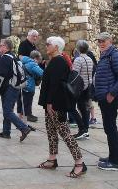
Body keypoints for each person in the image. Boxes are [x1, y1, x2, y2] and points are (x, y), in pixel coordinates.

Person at [37, 36, 86, 178]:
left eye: (48, 44)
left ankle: (79, 163)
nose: (46, 46)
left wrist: (51, 102)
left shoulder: (59, 62)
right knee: (51, 133)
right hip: (50, 104)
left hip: (56, 104)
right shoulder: (54, 61)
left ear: (56, 47)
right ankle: (52, 159)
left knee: (65, 133)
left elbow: (56, 84)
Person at [93, 32, 118, 171]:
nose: (101, 43)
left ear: (110, 41)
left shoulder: (114, 55)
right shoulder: (106, 55)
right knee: (109, 128)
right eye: (99, 41)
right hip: (104, 97)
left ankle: (115, 161)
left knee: (111, 128)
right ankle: (112, 157)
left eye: (104, 41)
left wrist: (112, 94)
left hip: (109, 98)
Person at [0, 38, 32, 141]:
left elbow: (1, 76)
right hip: (14, 87)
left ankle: (24, 128)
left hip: (8, 88)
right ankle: (6, 132)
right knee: (8, 110)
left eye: (1, 45)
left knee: (7, 111)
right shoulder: (13, 56)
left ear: (6, 47)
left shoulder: (5, 58)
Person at [71, 40, 94, 140]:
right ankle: (86, 129)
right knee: (85, 108)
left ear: (78, 48)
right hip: (88, 86)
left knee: (75, 108)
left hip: (79, 87)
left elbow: (75, 74)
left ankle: (82, 130)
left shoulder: (78, 59)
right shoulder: (89, 59)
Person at [16, 50, 43, 123]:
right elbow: (41, 73)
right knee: (26, 105)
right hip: (28, 86)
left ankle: (19, 121)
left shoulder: (22, 61)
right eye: (38, 60)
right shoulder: (33, 64)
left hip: (21, 85)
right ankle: (23, 125)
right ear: (35, 58)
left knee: (20, 104)